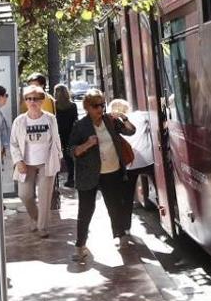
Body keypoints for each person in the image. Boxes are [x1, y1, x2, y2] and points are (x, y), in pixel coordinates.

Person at [69, 90, 135, 262]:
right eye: (96, 105)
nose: (100, 108)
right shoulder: (80, 126)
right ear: (87, 107)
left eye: (102, 105)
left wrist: (123, 118)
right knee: (86, 210)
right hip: (89, 174)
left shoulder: (110, 121)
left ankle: (120, 236)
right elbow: (72, 151)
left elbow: (130, 132)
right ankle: (80, 245)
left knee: (114, 205)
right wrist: (87, 144)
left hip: (111, 171)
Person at [10, 85, 62, 237]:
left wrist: (58, 157)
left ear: (42, 101)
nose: (32, 102)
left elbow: (56, 139)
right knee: (25, 194)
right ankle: (35, 217)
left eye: (36, 99)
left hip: (46, 162)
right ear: (25, 101)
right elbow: (13, 143)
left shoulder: (50, 119)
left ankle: (42, 227)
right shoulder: (19, 121)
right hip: (26, 164)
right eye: (29, 99)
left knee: (45, 196)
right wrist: (18, 161)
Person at [109, 98, 156, 212]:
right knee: (160, 187)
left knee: (128, 195)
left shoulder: (113, 124)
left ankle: (126, 226)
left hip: (130, 164)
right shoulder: (141, 116)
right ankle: (162, 204)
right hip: (148, 160)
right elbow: (156, 114)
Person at [53, 84, 79, 190]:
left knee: (57, 156)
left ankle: (56, 181)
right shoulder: (72, 105)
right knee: (70, 157)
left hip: (58, 134)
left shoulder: (54, 105)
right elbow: (75, 120)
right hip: (70, 133)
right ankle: (72, 178)